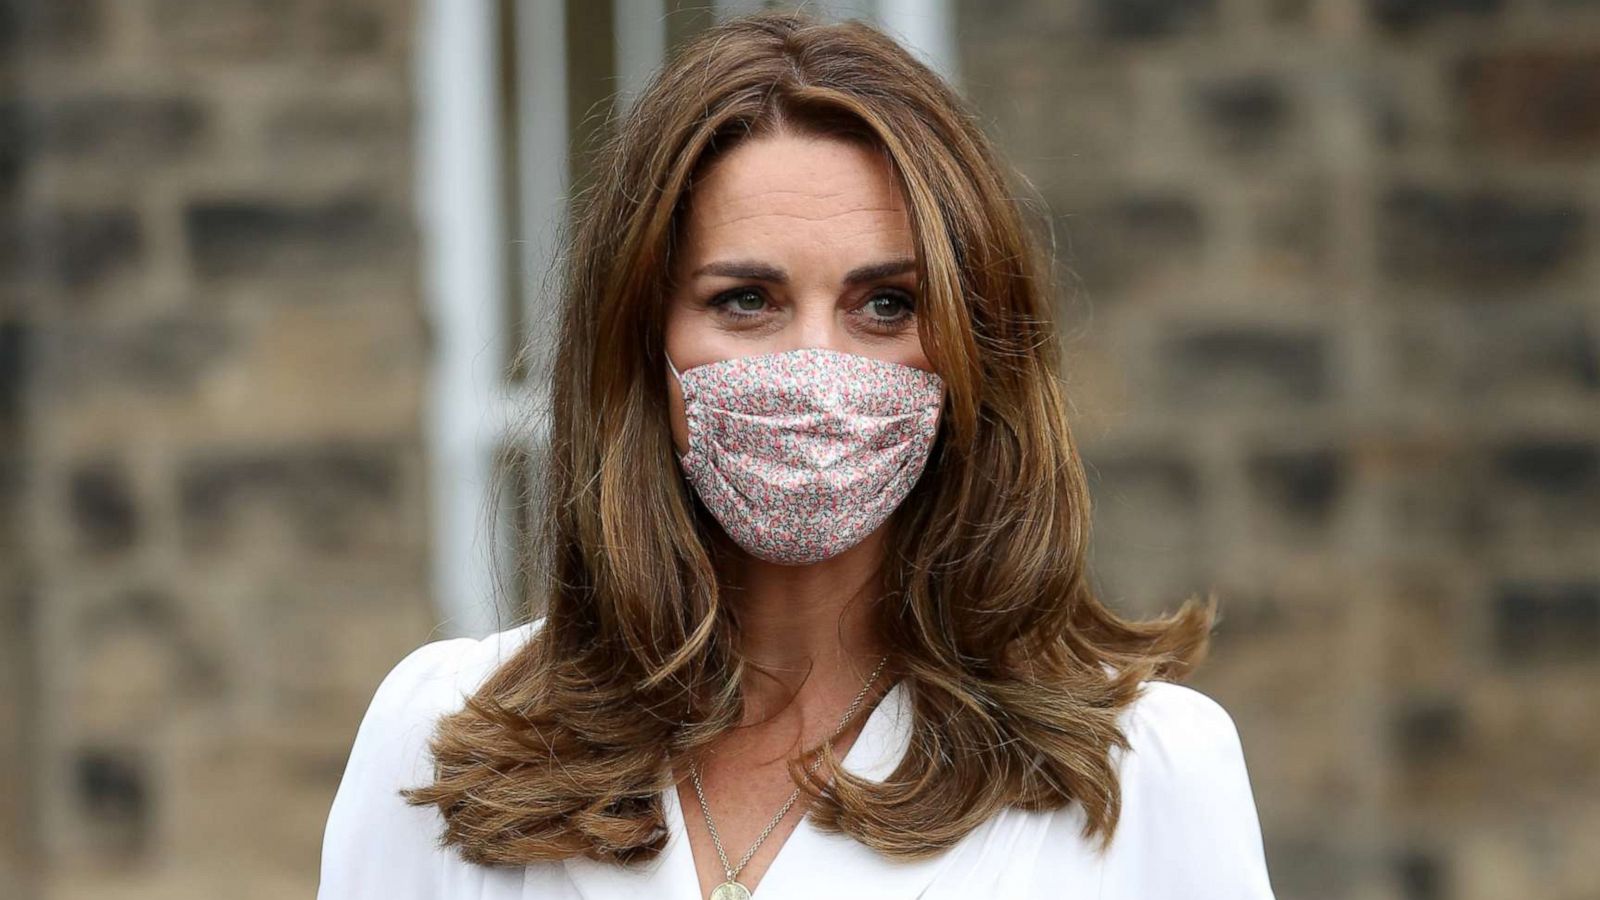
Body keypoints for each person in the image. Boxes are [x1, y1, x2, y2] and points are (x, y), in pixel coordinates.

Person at [318, 10, 1276, 900]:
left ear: (972, 348)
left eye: (885, 304)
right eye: (747, 299)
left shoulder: (1142, 772)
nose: (816, 366)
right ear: (644, 344)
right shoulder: (452, 736)